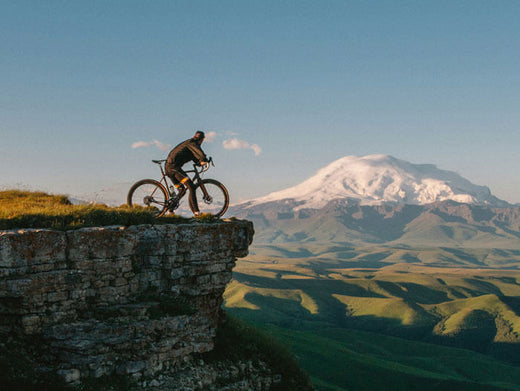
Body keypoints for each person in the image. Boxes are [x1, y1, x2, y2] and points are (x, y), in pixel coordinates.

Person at [165, 131, 209, 216]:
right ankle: (197, 212)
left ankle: (170, 210)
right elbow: (200, 154)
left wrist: (200, 163)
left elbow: (195, 158)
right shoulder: (192, 143)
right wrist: (205, 159)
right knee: (191, 186)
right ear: (201, 139)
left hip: (170, 167)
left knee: (182, 190)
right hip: (173, 167)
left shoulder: (190, 146)